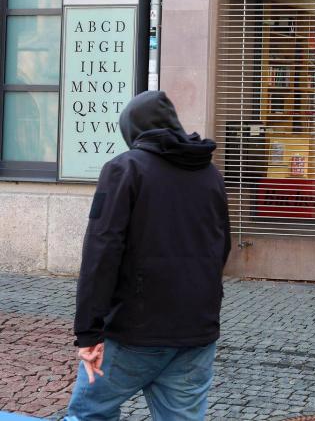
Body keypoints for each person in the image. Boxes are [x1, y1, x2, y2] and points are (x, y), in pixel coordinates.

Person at [65, 91, 231, 421]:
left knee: (89, 415)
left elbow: (101, 251)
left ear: (133, 131)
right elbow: (221, 247)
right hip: (196, 330)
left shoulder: (125, 169)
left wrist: (88, 332)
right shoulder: (211, 176)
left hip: (133, 331)